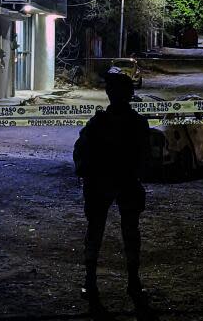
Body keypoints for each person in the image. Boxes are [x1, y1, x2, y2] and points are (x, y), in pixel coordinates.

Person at [73, 67, 150, 308]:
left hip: (104, 184)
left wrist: (87, 175)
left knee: (97, 233)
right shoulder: (136, 123)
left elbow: (81, 153)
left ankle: (92, 280)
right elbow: (146, 157)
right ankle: (132, 281)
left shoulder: (99, 123)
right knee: (129, 233)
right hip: (123, 182)